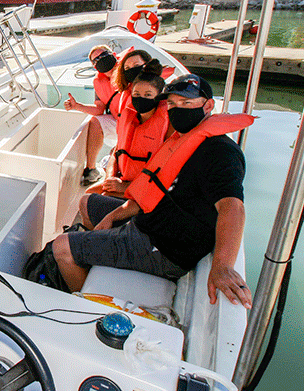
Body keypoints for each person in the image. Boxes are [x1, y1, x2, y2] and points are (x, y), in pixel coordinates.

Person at [51, 74, 255, 310]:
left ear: (208, 106)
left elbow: (232, 207)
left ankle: (92, 309)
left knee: (62, 247)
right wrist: (111, 216)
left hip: (162, 247)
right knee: (87, 203)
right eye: (172, 104)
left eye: (187, 103)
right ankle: (93, 258)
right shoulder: (183, 139)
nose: (177, 109)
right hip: (147, 220)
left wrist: (222, 266)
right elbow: (150, 191)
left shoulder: (219, 152)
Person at [85, 59, 172, 200]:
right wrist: (110, 178)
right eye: (136, 94)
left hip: (149, 188)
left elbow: (167, 171)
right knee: (88, 193)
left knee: (99, 199)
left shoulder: (168, 124)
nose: (141, 98)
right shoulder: (129, 115)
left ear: (159, 96)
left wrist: (124, 187)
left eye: (148, 95)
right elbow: (117, 151)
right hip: (124, 178)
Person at [65, 45, 124, 185]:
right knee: (95, 121)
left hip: (136, 123)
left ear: (113, 54)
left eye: (104, 55)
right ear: (95, 67)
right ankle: (91, 169)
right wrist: (77, 106)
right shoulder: (99, 82)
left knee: (117, 161)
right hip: (118, 122)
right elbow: (99, 109)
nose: (101, 59)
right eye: (96, 59)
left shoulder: (128, 71)